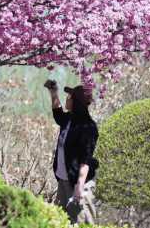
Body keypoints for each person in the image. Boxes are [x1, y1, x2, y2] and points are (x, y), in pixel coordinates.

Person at [44, 79, 99, 224]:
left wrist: (79, 186)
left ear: (76, 102)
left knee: (79, 222)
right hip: (63, 180)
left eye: (69, 97)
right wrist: (53, 93)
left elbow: (85, 158)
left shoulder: (88, 127)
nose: (66, 99)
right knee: (60, 221)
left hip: (77, 184)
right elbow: (58, 113)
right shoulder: (69, 119)